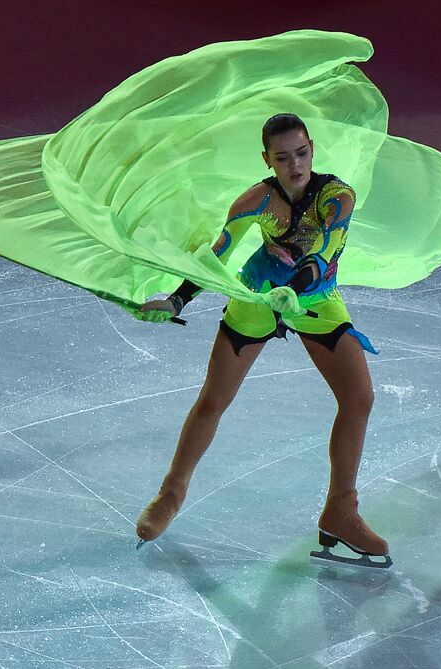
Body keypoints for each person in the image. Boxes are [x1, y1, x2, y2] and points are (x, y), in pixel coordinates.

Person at [133, 113, 390, 567]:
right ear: (267, 160)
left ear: (313, 147)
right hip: (257, 295)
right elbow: (217, 257)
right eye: (283, 157)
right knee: (214, 398)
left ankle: (341, 511)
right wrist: (176, 302)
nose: (295, 164)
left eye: (302, 153)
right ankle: (170, 495)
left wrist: (300, 287)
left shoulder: (337, 197)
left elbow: (325, 249)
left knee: (360, 397)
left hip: (314, 298)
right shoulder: (255, 200)